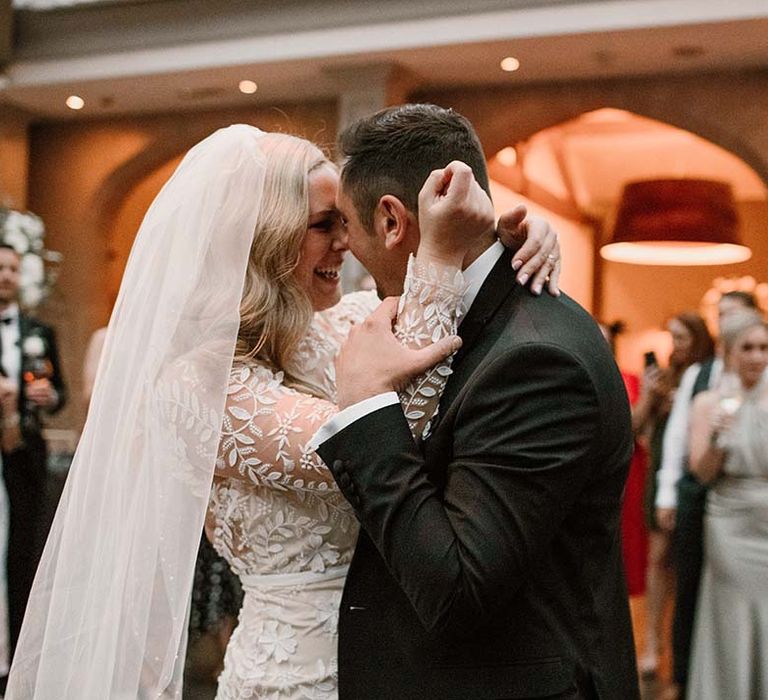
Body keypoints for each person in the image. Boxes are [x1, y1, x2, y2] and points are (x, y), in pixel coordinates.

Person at [6, 124, 560, 699]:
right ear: (263, 240)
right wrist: (442, 255)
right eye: (325, 224)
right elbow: (374, 446)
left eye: (345, 221)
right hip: (296, 677)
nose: (346, 242)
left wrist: (506, 244)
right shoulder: (197, 385)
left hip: (401, 663)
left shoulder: (346, 324)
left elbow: (444, 326)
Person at [310, 103, 639, 699]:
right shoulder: (484, 314)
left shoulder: (537, 360)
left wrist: (364, 410)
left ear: (391, 221)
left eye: (346, 226)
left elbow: (456, 587)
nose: (344, 248)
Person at [654, 291, 757, 700]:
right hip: (706, 499)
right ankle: (684, 678)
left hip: (755, 509)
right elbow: (679, 439)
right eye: (723, 317)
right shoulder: (700, 376)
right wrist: (667, 494)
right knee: (691, 586)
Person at [686, 311, 768, 700]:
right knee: (734, 615)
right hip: (729, 522)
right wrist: (718, 438)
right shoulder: (707, 403)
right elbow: (701, 473)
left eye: (764, 347)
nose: (756, 356)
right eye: (747, 348)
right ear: (730, 353)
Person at [632, 313, 714, 679]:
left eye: (682, 338)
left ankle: (678, 643)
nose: (676, 346)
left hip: (691, 473)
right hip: (660, 466)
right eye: (672, 337)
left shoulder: (709, 377)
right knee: (658, 556)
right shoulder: (666, 376)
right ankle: (651, 643)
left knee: (683, 560)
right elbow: (640, 431)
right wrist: (653, 398)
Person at [0, 243, 67, 662]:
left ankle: (17, 656)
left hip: (22, 452)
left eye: (11, 268)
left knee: (23, 548)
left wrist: (49, 395)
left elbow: (62, 395)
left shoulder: (39, 332)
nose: (6, 274)